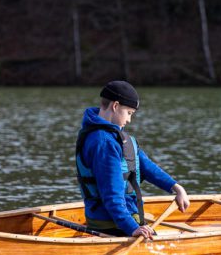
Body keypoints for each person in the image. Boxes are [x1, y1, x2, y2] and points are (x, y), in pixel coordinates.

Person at [76, 80, 190, 239]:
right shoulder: (104, 143)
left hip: (120, 217)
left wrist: (175, 187)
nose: (129, 120)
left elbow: (145, 165)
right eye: (129, 113)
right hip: (112, 223)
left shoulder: (113, 136)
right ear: (115, 106)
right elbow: (111, 194)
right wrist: (132, 228)